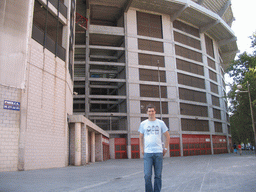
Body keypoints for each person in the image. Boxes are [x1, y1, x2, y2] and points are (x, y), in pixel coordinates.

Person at [139, 104, 170, 192]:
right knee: (147, 175)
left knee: (158, 175)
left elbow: (167, 136)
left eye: (152, 111)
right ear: (147, 112)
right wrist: (142, 149)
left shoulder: (160, 123)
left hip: (158, 152)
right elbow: (140, 137)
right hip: (148, 153)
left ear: (155, 112)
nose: (151, 112)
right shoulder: (143, 124)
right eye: (149, 111)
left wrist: (166, 148)